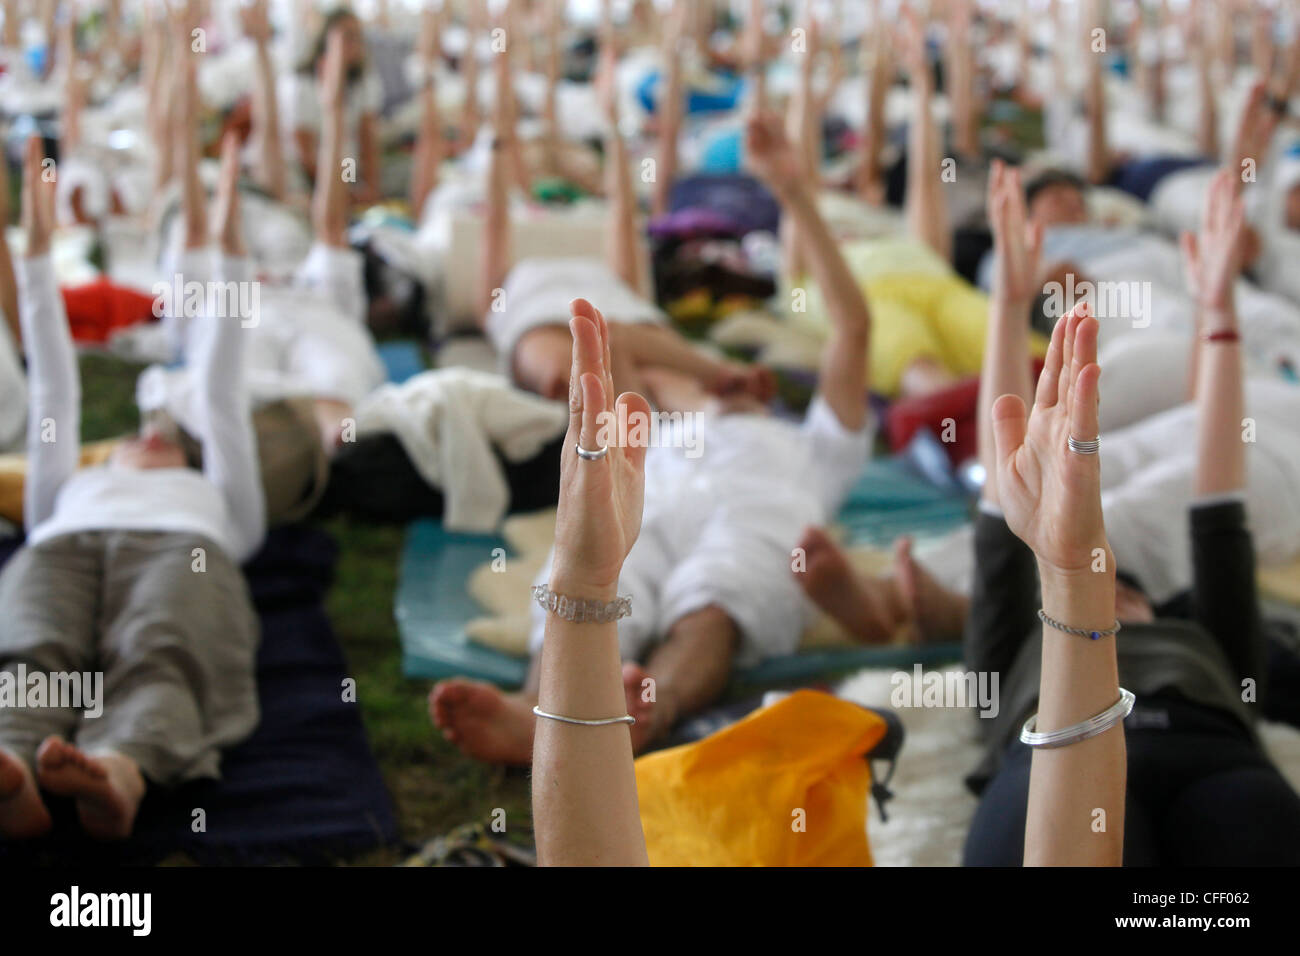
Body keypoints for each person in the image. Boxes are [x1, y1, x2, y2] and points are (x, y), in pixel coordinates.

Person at [430, 112, 873, 763]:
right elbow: (611, 337)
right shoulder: (659, 424)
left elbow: (854, 325)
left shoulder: (817, 444)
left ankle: (648, 711)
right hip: (654, 503)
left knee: (719, 600)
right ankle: (536, 712)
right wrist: (709, 371)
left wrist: (792, 193)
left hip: (758, 513)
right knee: (588, 577)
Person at [0, 134, 264, 841]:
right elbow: (53, 385)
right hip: (63, 548)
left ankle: (118, 769)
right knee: (32, 644)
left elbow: (222, 383)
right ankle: (16, 777)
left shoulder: (223, 506)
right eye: (135, 437)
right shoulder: (70, 487)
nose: (148, 436)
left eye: (169, 437)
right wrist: (34, 242)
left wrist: (230, 221)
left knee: (163, 648)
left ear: (191, 454)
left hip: (183, 551)